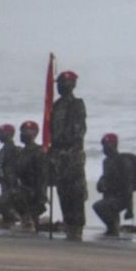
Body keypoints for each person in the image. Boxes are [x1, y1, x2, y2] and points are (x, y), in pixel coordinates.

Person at [48, 70, 87, 240]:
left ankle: (76, 227)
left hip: (72, 154)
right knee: (63, 191)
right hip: (58, 154)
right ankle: (69, 224)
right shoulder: (56, 105)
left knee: (75, 192)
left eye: (65, 83)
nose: (61, 86)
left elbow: (78, 132)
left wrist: (65, 146)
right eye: (59, 83)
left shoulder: (76, 104)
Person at [93, 133, 134, 237]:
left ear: (114, 144)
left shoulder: (123, 161)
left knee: (99, 206)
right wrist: (101, 185)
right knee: (104, 205)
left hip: (121, 197)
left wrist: (130, 208)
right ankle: (112, 228)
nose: (104, 148)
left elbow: (128, 185)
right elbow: (104, 178)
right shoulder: (106, 162)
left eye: (107, 145)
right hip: (109, 196)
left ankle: (113, 228)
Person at [0, 124, 19, 227]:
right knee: (4, 201)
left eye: (2, 133)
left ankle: (17, 218)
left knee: (1, 204)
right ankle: (8, 221)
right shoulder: (2, 150)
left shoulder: (15, 150)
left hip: (13, 182)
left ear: (10, 134)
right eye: (0, 133)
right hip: (5, 181)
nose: (0, 136)